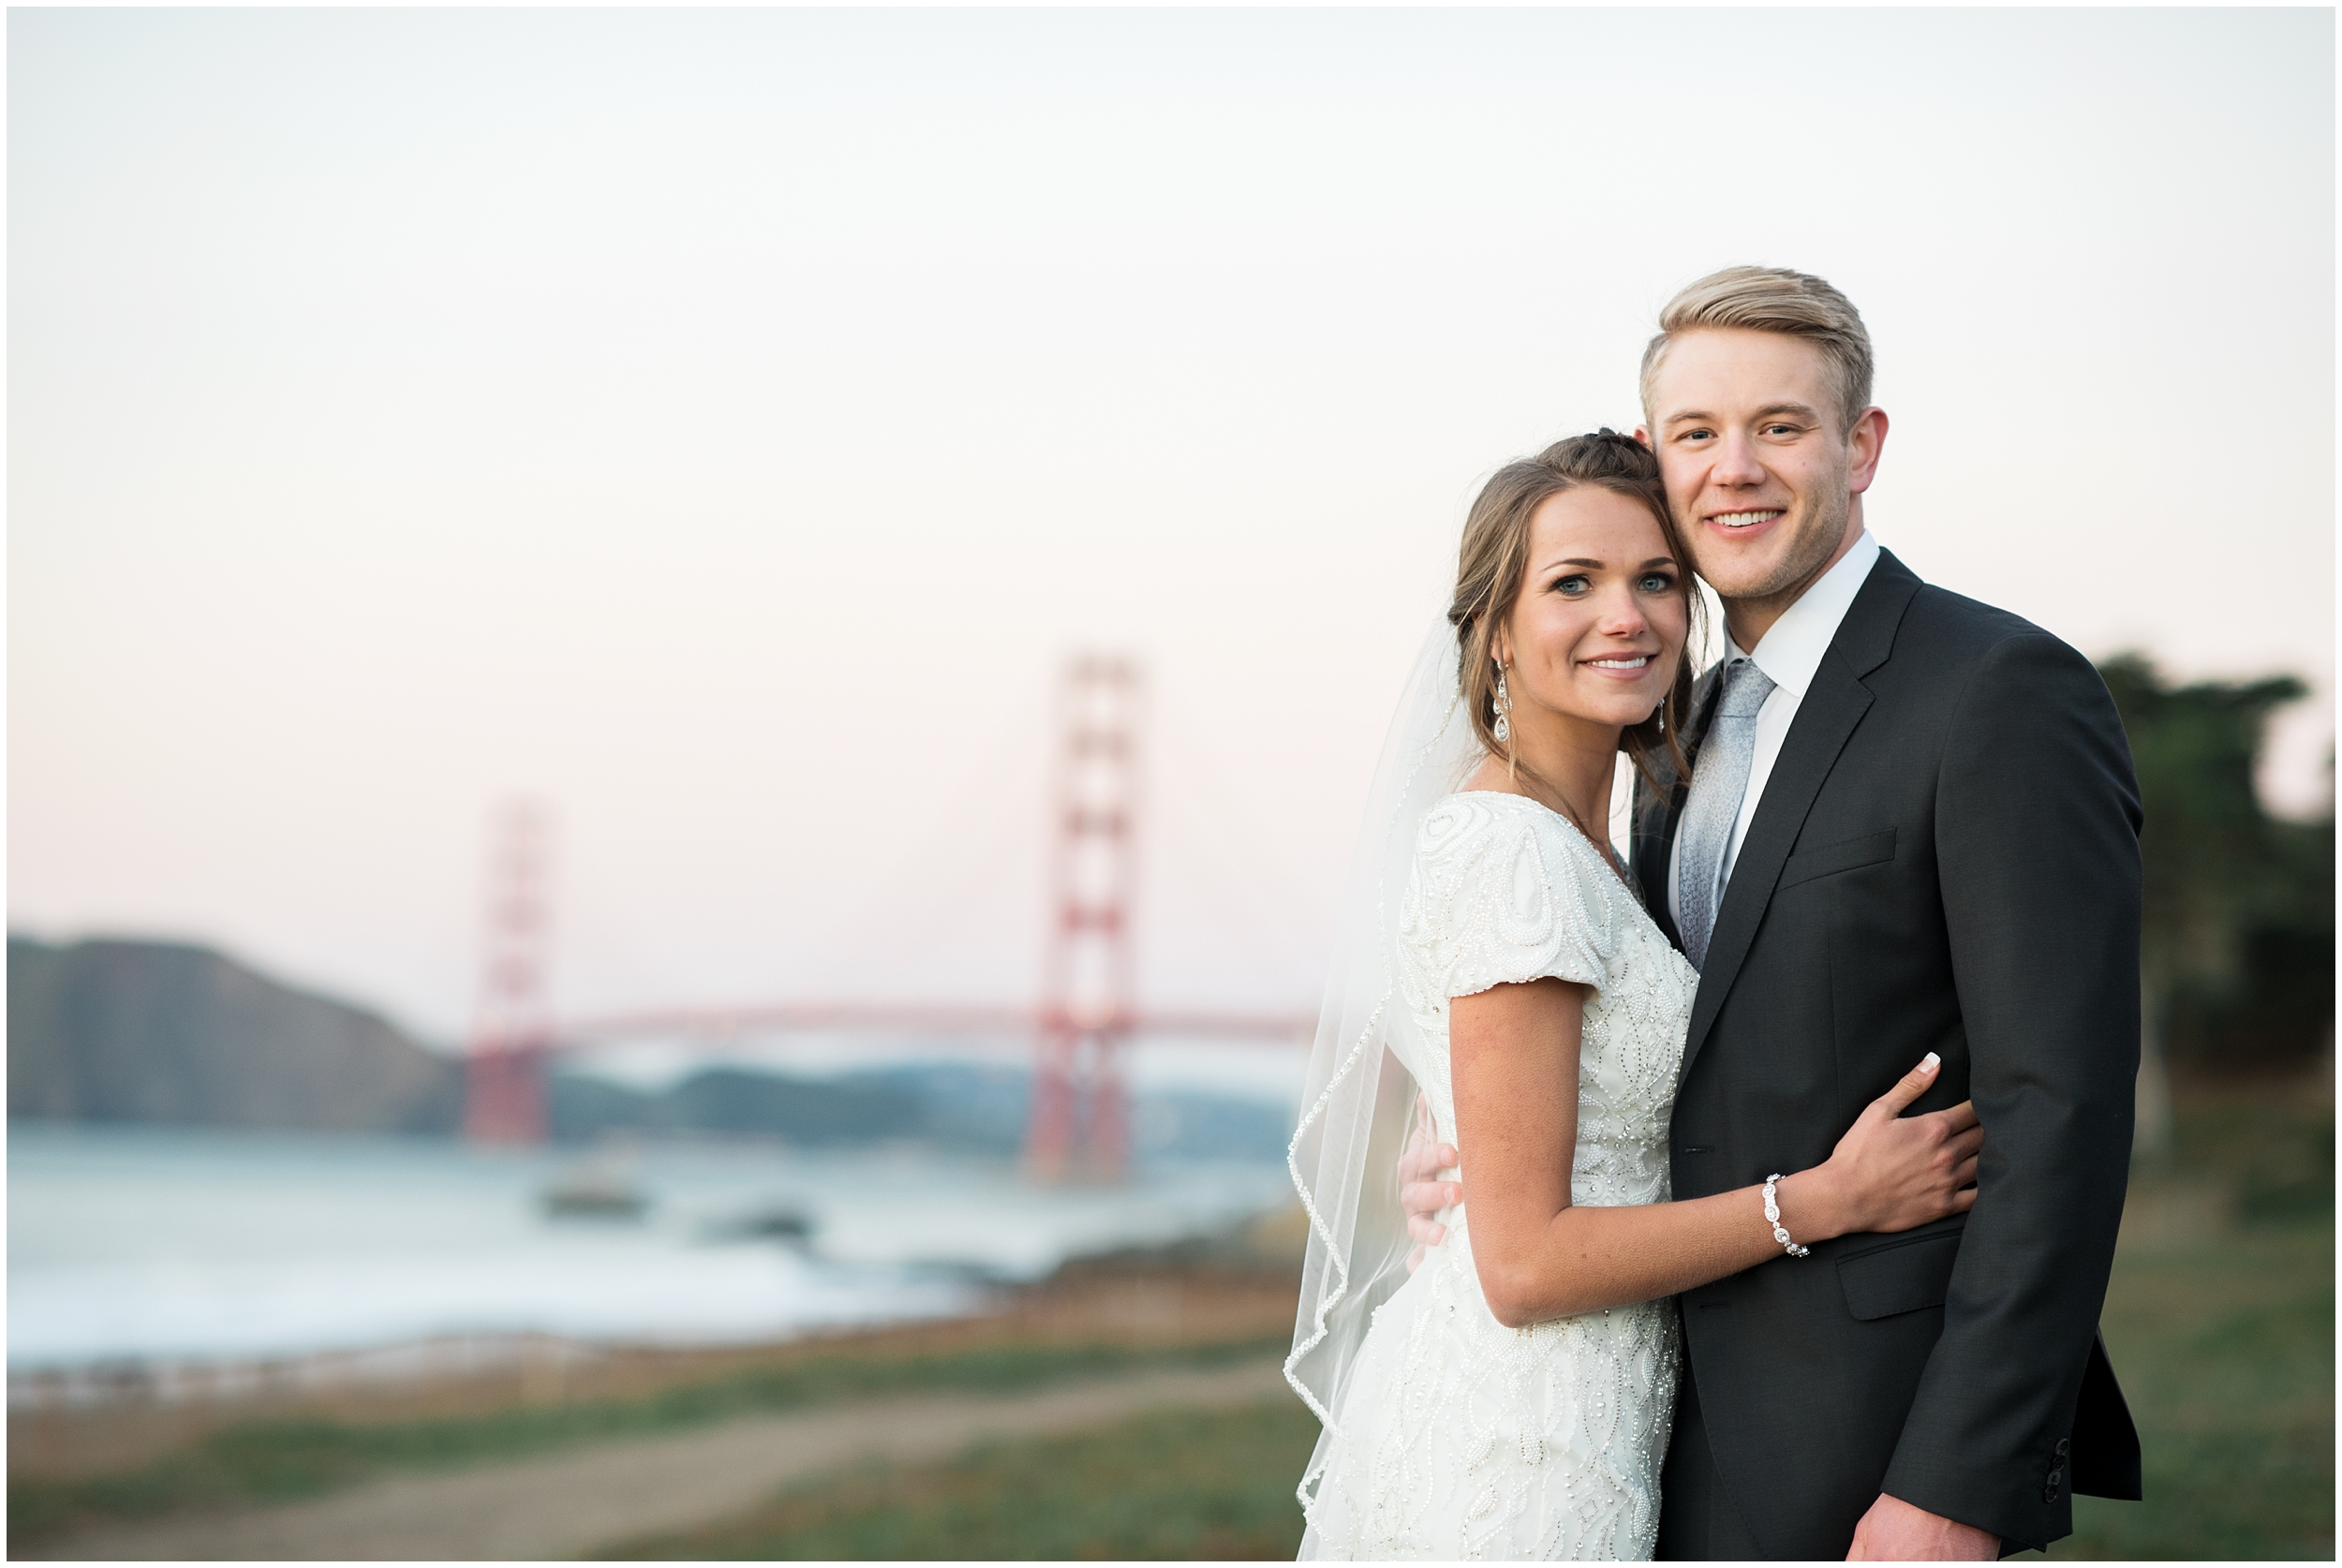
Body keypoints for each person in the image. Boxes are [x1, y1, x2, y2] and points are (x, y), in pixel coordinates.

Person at [1389, 268, 2143, 1559]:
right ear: (1654, 454)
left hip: (1877, 1449)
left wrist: (1956, 1486)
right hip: (1648, 1441)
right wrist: (1471, 1132)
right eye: (1697, 433)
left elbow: (2059, 1122)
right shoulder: (1677, 737)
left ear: (1862, 446)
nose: (1735, 469)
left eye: (1781, 427)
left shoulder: (1996, 692)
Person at [1284, 430, 1987, 1561]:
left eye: (1655, 579)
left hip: (1596, 1413)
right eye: (1573, 583)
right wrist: (1825, 1200)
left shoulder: (1605, 836)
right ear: (1493, 632)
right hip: (1522, 1442)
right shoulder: (1512, 854)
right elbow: (1521, 1268)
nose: (1629, 617)